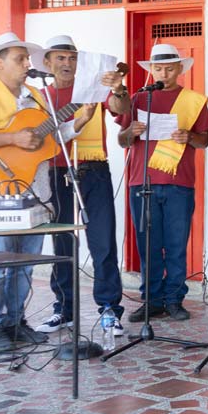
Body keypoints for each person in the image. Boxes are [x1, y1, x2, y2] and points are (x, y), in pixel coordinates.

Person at [0, 32, 91, 352]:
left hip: (35, 193)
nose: (26, 64)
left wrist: (80, 121)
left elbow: (49, 140)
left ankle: (16, 322)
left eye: (27, 58)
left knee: (24, 262)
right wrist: (12, 139)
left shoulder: (36, 96)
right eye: (20, 59)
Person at [32, 35, 130, 337]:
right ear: (47, 63)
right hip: (54, 171)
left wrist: (116, 87)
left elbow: (120, 107)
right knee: (62, 244)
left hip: (93, 169)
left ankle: (109, 308)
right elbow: (33, 135)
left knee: (102, 241)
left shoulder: (93, 89)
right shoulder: (38, 97)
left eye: (72, 58)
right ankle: (64, 308)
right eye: (60, 58)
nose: (67, 63)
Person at [117, 43, 208, 322]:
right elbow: (121, 140)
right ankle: (152, 299)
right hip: (141, 181)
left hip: (178, 182)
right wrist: (130, 132)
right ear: (151, 70)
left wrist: (189, 137)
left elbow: (205, 140)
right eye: (158, 68)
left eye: (170, 68)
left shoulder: (193, 101)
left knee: (175, 244)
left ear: (180, 69)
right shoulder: (137, 98)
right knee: (148, 244)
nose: (164, 73)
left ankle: (174, 299)